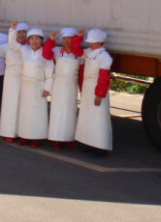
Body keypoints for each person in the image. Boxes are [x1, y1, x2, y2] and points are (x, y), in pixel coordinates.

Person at [8, 22, 53, 148]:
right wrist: (12, 30)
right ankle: (24, 136)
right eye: (32, 38)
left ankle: (35, 138)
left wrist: (47, 88)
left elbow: (50, 73)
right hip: (26, 86)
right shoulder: (24, 50)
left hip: (38, 86)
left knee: (36, 114)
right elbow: (12, 45)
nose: (34, 41)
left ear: (41, 40)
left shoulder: (45, 54)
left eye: (37, 39)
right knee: (25, 113)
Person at [42, 28, 84, 151]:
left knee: (70, 112)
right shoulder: (56, 50)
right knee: (57, 111)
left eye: (69, 38)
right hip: (59, 83)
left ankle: (68, 139)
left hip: (72, 84)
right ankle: (56, 139)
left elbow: (82, 72)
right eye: (64, 38)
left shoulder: (80, 53)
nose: (66, 41)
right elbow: (46, 54)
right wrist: (51, 40)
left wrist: (82, 88)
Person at [75, 29, 113, 158]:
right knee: (87, 116)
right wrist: (78, 38)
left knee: (98, 118)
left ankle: (101, 146)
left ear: (99, 42)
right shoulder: (89, 52)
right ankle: (89, 142)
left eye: (92, 42)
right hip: (88, 87)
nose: (89, 43)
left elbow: (104, 77)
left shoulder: (104, 56)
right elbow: (77, 51)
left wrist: (99, 94)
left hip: (96, 88)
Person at [0, 23, 28, 142]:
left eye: (23, 32)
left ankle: (23, 132)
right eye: (19, 32)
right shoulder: (7, 46)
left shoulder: (29, 47)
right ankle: (9, 132)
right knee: (11, 104)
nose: (21, 34)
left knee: (23, 104)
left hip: (25, 76)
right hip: (11, 77)